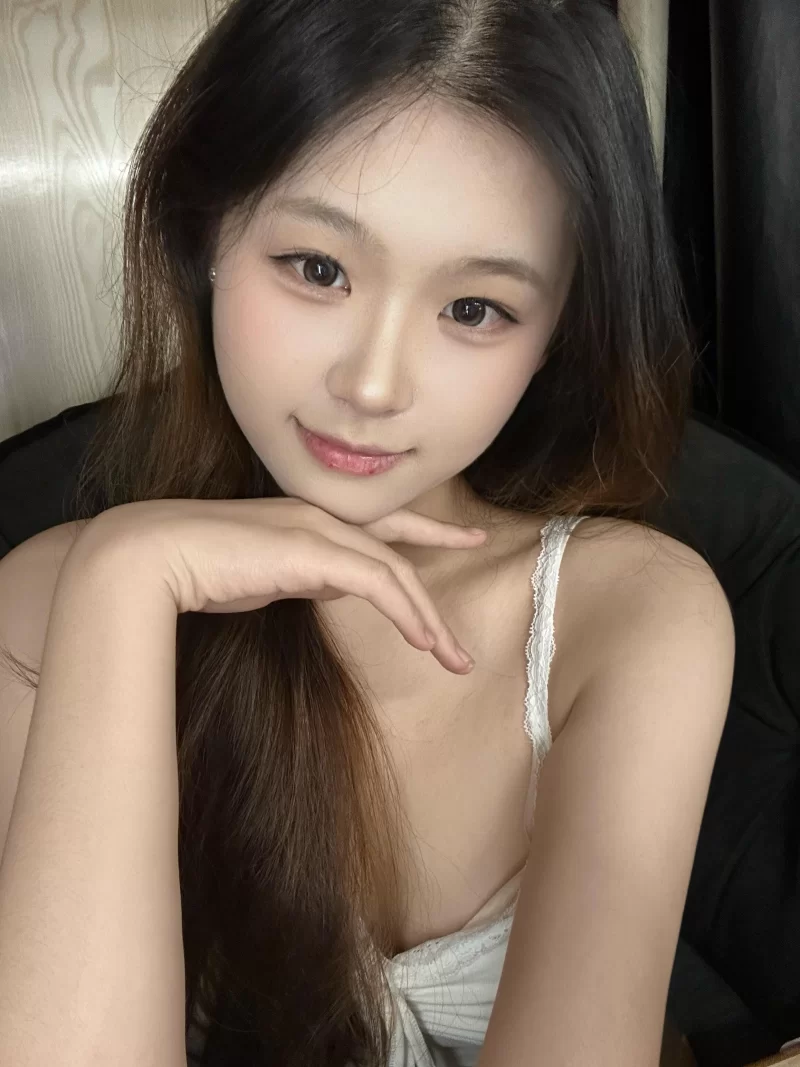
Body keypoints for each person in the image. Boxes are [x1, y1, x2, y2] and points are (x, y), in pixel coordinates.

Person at [0, 0, 736, 1064]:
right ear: (208, 234)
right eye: (318, 268)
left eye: (474, 309)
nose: (374, 385)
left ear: (556, 333)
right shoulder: (51, 607)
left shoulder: (621, 620)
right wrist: (124, 574)